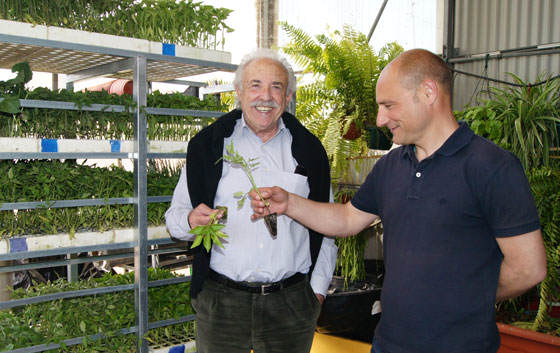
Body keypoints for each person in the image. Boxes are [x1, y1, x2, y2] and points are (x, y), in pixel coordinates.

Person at [249, 49, 547, 353]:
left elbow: (528, 269)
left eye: (389, 105)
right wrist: (289, 203)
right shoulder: (391, 166)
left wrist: (472, 296)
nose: (380, 119)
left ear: (428, 92)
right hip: (389, 344)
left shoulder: (491, 167)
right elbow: (348, 219)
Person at [165, 48, 337, 353]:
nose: (265, 97)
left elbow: (327, 226)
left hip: (291, 304)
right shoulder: (208, 146)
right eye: (255, 85)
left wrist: (317, 292)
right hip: (222, 303)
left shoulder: (310, 151)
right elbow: (175, 219)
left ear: (288, 97)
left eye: (276, 87)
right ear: (239, 92)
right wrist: (192, 220)